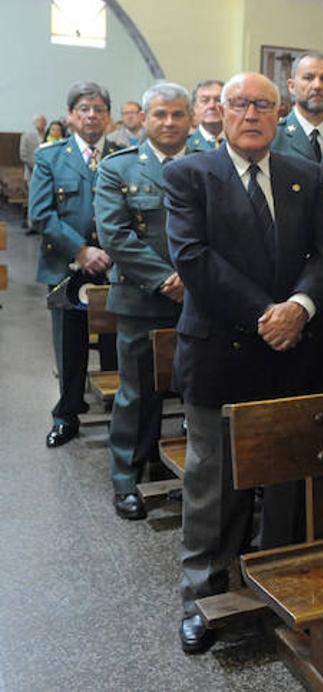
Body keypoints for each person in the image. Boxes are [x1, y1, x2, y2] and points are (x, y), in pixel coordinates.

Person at [165, 72, 323, 654]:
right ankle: (203, 595)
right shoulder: (191, 174)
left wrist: (300, 307)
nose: (251, 114)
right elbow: (193, 258)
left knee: (288, 478)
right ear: (219, 112)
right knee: (213, 485)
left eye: (263, 105)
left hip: (295, 351)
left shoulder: (306, 174)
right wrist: (267, 314)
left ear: (279, 112)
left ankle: (277, 587)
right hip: (221, 351)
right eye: (239, 104)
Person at [94, 82, 193, 520]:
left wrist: (195, 281)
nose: (169, 122)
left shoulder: (207, 163)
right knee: (137, 395)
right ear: (145, 119)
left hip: (199, 300)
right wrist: (166, 280)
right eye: (160, 114)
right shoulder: (119, 168)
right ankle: (126, 479)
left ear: (190, 118)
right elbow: (115, 235)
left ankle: (188, 475)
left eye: (177, 114)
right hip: (141, 300)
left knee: (195, 393)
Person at [29, 82, 125, 448]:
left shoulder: (122, 155)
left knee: (117, 344)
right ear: (70, 115)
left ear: (109, 117)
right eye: (84, 108)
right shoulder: (51, 157)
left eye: (99, 109)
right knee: (69, 346)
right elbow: (42, 213)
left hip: (116, 266)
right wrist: (81, 250)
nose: (91, 115)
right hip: (67, 267)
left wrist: (113, 251)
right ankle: (66, 414)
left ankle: (120, 414)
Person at [19, 113, 46, 231]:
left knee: (45, 199)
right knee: (33, 199)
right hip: (31, 172)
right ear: (34, 123)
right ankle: (32, 224)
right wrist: (36, 166)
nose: (41, 124)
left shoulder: (48, 135)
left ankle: (42, 225)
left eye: (43, 121)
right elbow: (23, 155)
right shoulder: (27, 136)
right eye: (39, 121)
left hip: (46, 173)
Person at [186, 80, 224, 151]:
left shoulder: (240, 142)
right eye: (205, 101)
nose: (212, 106)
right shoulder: (185, 146)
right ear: (194, 108)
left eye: (218, 100)